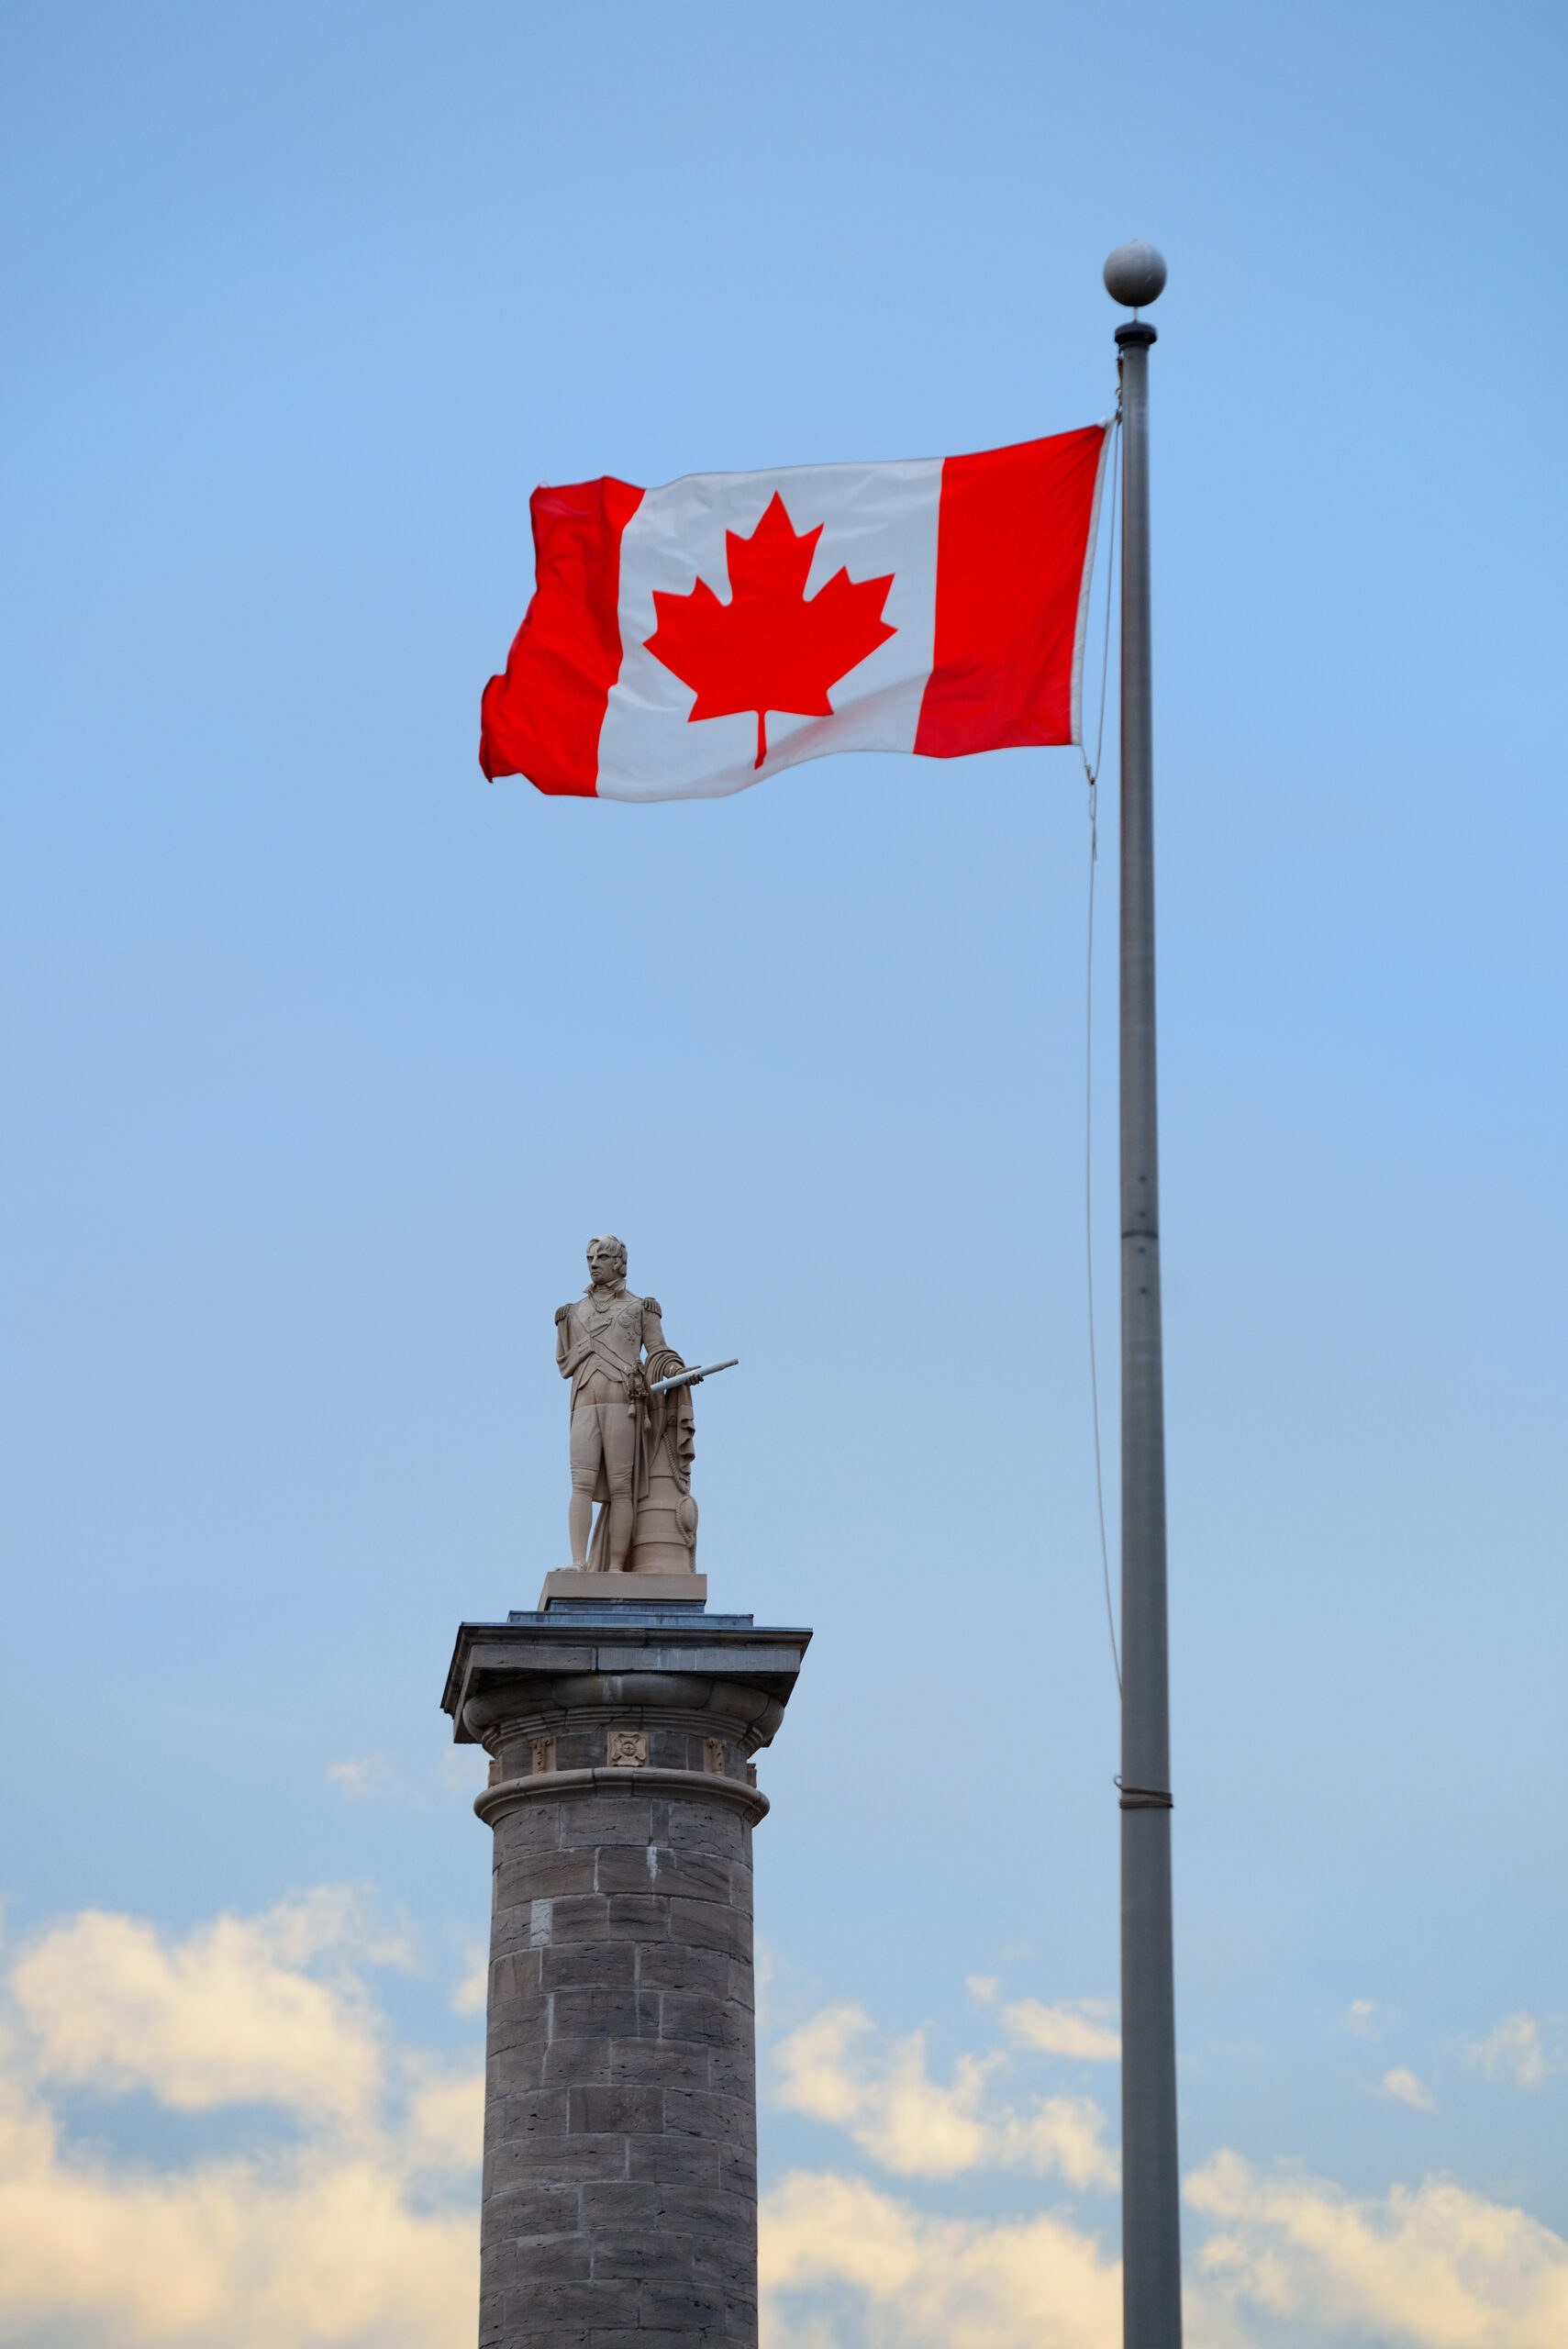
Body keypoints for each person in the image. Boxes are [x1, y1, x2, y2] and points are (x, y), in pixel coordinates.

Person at [555, 1235, 676, 1572]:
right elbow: (564, 1364)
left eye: (602, 1257)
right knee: (579, 1483)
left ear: (619, 1263)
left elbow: (659, 1351)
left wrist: (677, 1370)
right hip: (584, 1404)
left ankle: (615, 1569)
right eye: (590, 1257)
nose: (594, 1263)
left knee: (622, 1488)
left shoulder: (640, 1307)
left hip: (623, 1405)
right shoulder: (571, 1314)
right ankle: (579, 1563)